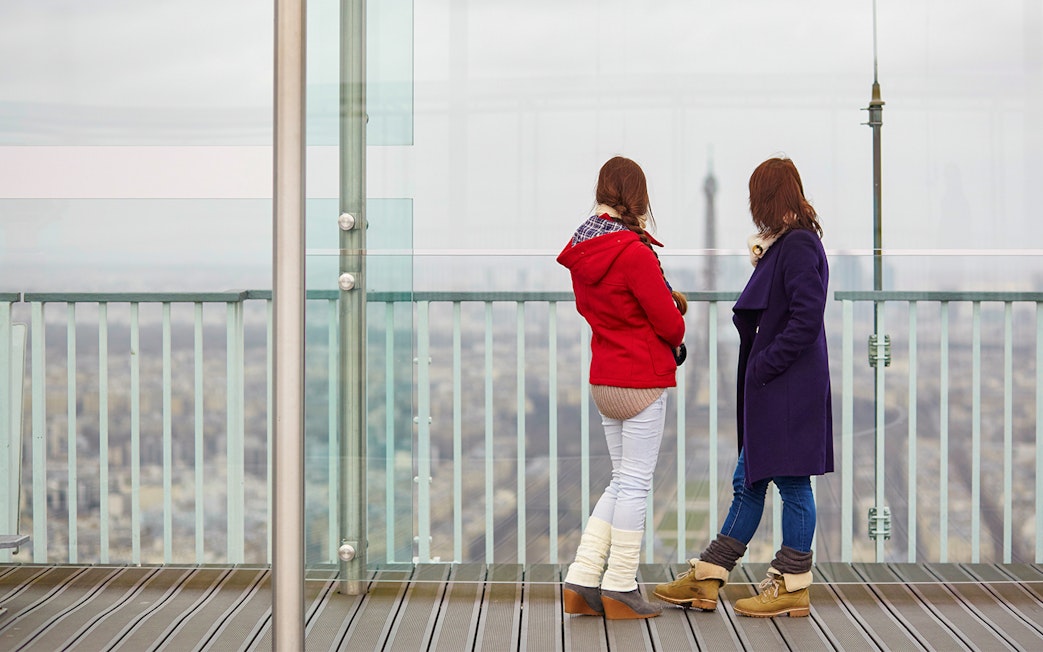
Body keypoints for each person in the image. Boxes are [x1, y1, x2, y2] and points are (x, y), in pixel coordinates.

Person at [653, 155, 833, 618]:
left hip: (786, 388)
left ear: (768, 199)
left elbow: (807, 317)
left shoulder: (795, 246)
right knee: (749, 479)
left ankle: (788, 585)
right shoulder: (790, 244)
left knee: (790, 483)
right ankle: (710, 575)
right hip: (781, 387)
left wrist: (764, 365)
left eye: (757, 198)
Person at [557, 156, 687, 620]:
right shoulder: (633, 251)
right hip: (640, 382)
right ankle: (620, 586)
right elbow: (670, 323)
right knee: (635, 484)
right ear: (638, 194)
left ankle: (583, 578)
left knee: (619, 480)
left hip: (604, 378)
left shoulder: (583, 249)